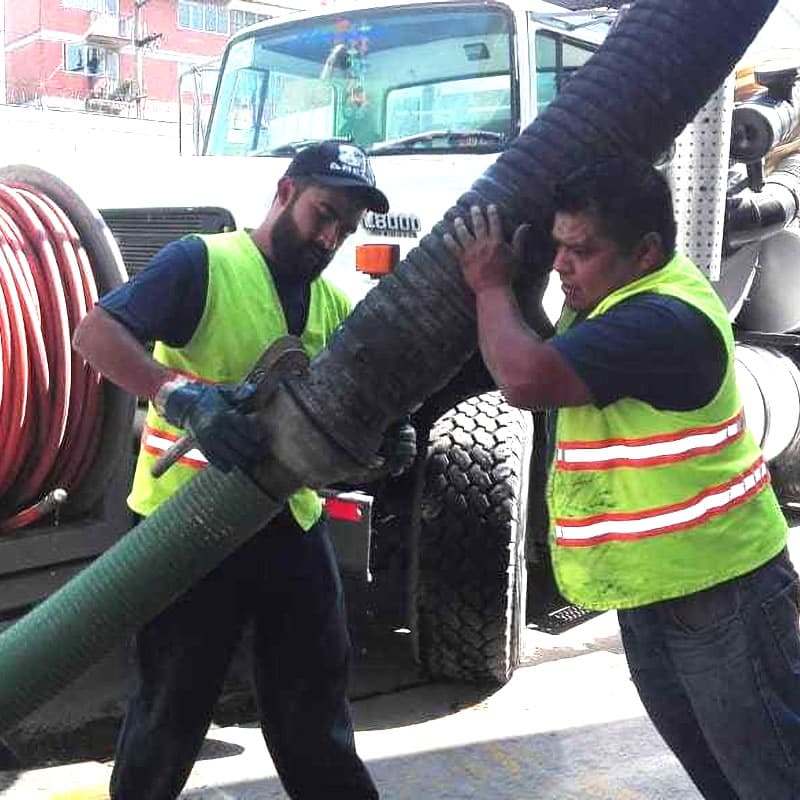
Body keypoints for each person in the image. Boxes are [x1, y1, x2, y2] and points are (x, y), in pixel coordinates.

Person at [444, 155, 800, 800]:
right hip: (657, 586)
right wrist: (523, 290)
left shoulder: (662, 319)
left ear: (645, 252)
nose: (561, 264)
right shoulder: (616, 301)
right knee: (725, 778)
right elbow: (559, 359)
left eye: (580, 251)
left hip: (721, 591)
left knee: (771, 777)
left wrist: (491, 286)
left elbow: (528, 380)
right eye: (557, 247)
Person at [73, 141, 413, 800]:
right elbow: (96, 334)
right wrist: (180, 395)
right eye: (324, 214)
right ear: (285, 192)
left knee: (315, 713)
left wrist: (389, 435)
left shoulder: (332, 306)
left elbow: (364, 402)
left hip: (289, 524)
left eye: (346, 227)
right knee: (170, 714)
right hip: (185, 527)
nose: (331, 236)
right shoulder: (203, 263)